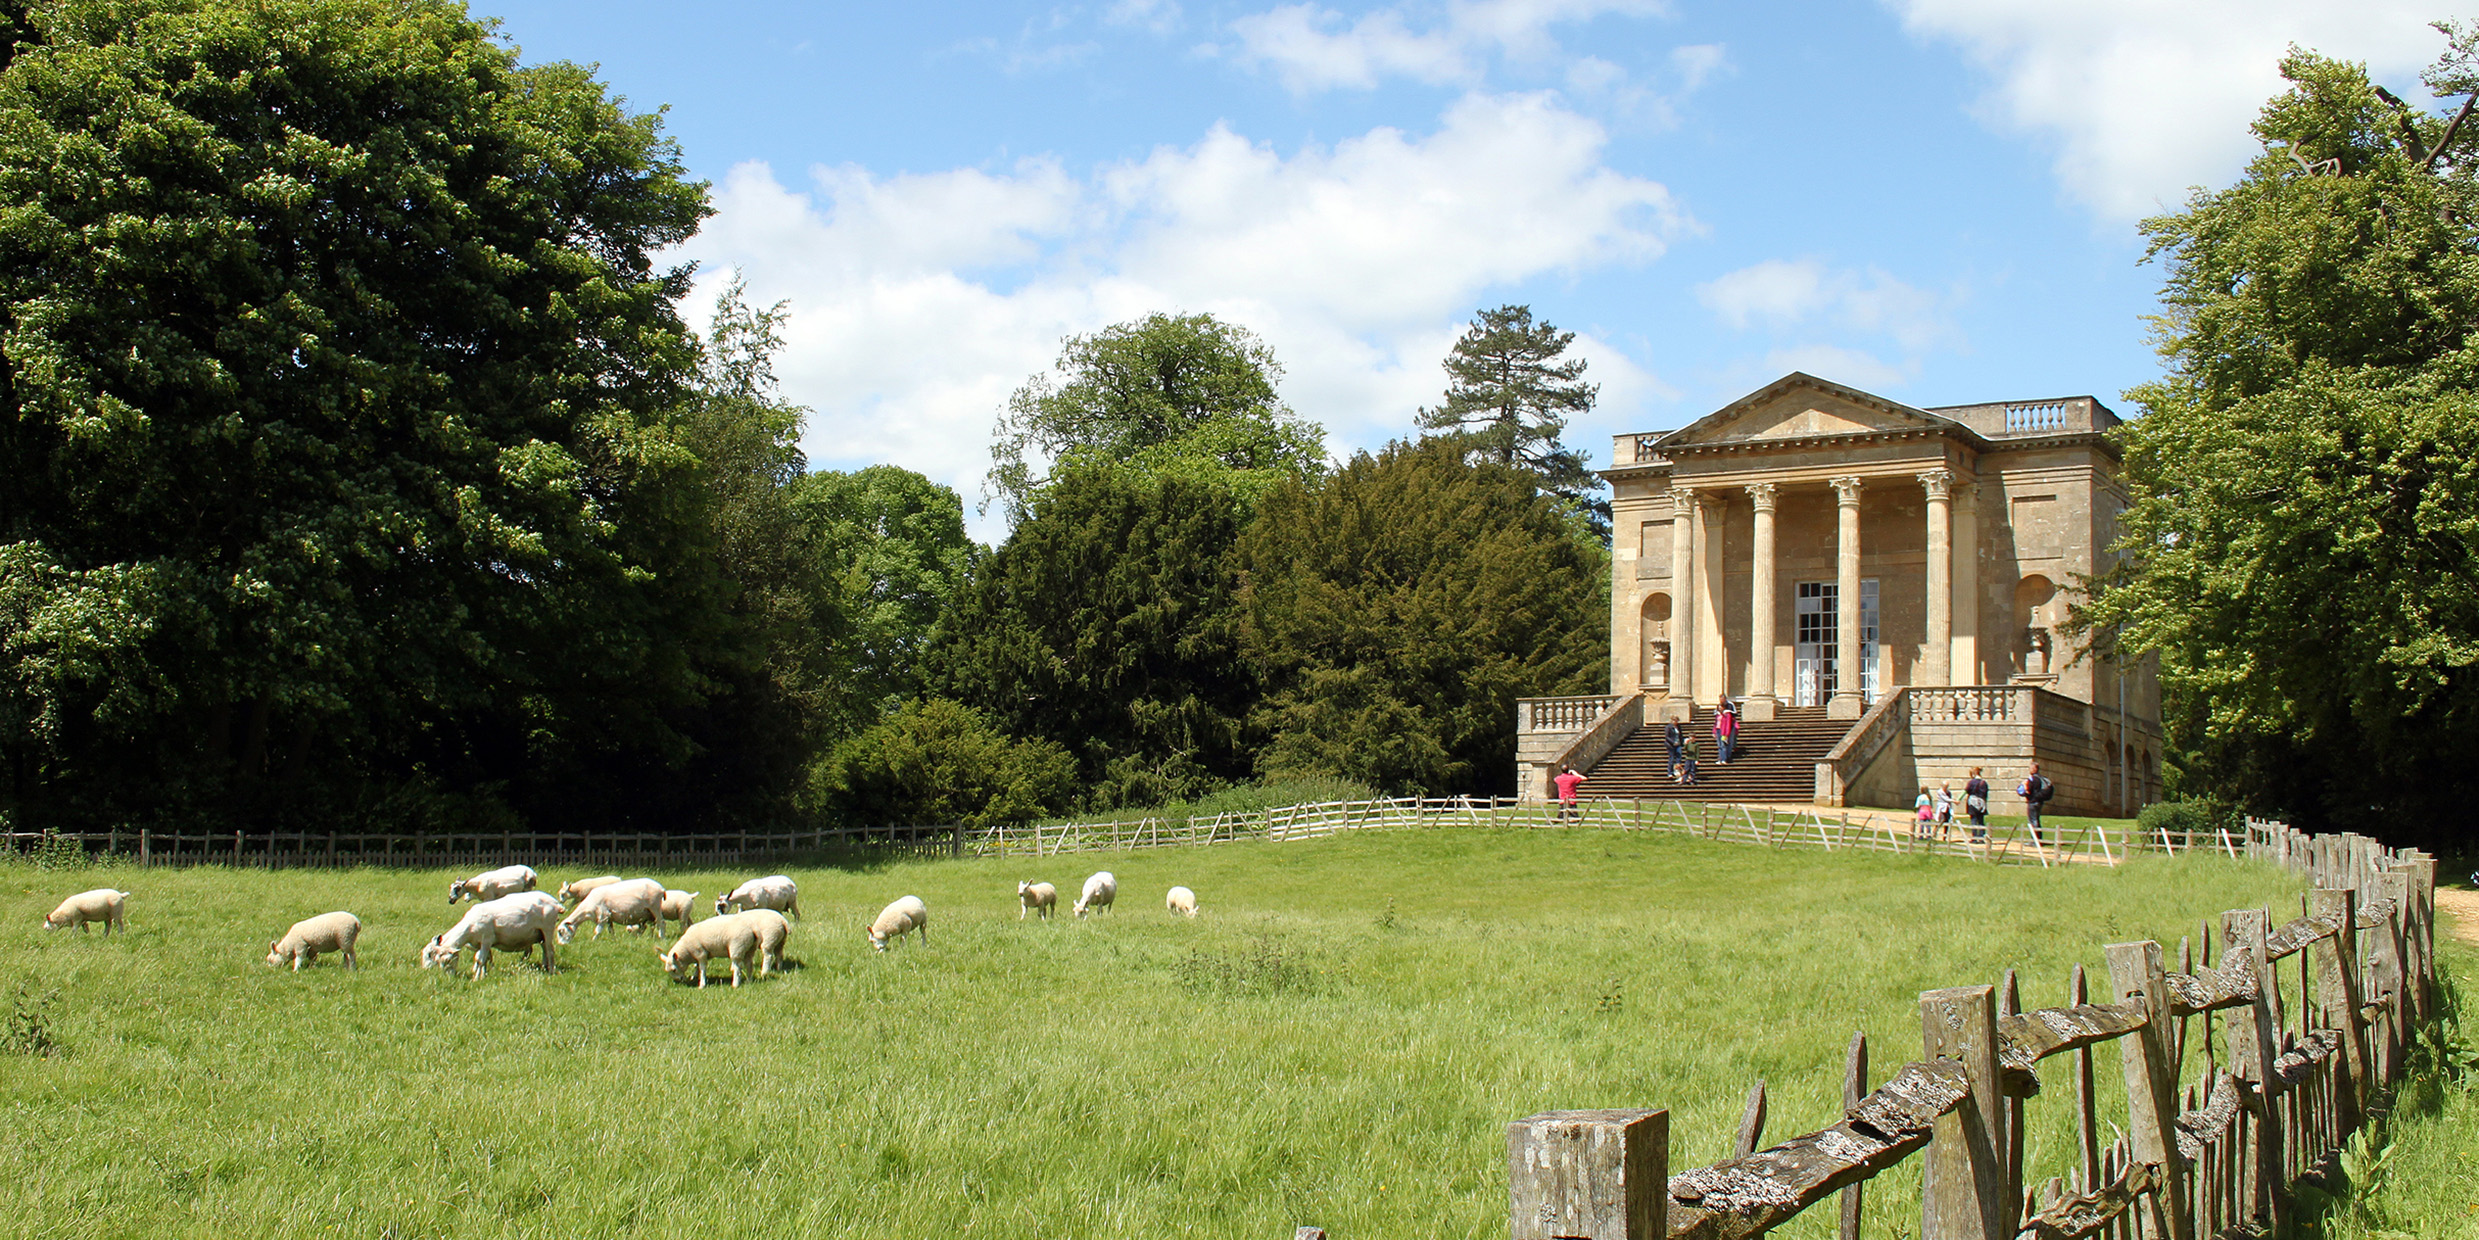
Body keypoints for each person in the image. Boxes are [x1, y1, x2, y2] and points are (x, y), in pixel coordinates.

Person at [2018, 761, 2054, 845]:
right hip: (2039, 802)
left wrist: (2023, 786)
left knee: (2033, 821)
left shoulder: (2032, 779)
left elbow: (2028, 791)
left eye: (2030, 768)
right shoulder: (2041, 778)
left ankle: (2035, 840)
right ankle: (2038, 839)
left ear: (2034, 769)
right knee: (2036, 820)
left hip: (2032, 802)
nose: (2029, 769)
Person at [1964, 767, 1990, 842]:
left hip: (1972, 802)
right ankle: (1981, 837)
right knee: (1981, 820)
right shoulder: (1984, 782)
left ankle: (1975, 837)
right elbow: (1985, 794)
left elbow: (1967, 791)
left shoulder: (1971, 782)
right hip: (1981, 802)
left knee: (1974, 819)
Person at [1713, 698, 1739, 765]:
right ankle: (1720, 759)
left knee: (1723, 745)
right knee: (1720, 745)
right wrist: (1714, 731)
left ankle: (1724, 759)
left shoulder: (1727, 715)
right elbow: (1715, 723)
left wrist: (1726, 734)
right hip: (1718, 731)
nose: (1719, 709)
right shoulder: (1718, 715)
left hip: (1723, 731)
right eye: (1719, 708)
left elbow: (1727, 724)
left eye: (1720, 707)